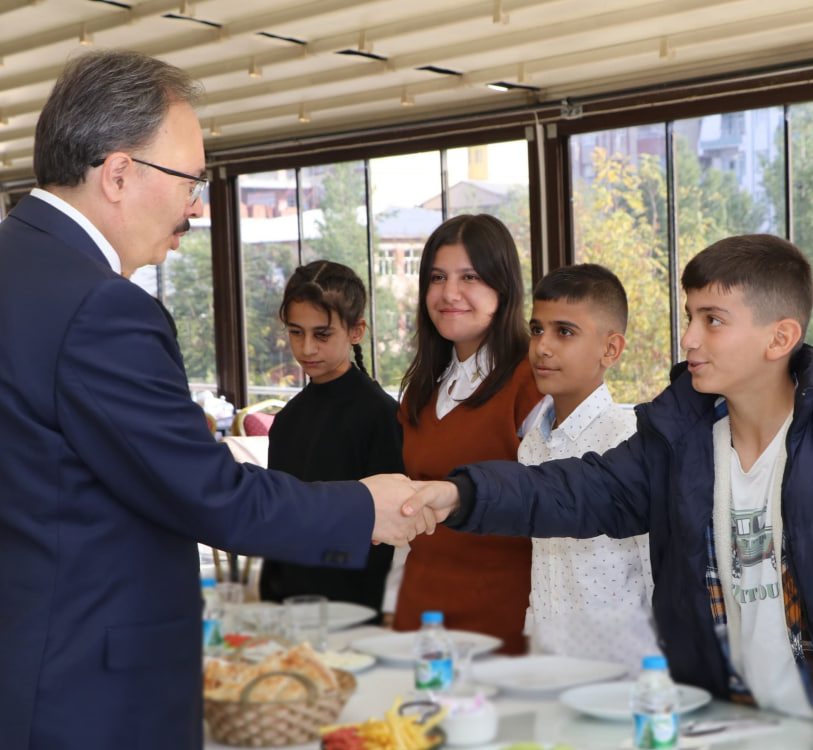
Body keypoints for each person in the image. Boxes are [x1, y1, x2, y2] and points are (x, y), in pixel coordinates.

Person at [0, 50, 432, 750]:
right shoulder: (98, 307)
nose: (193, 208)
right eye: (190, 181)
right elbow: (211, 492)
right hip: (78, 743)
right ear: (118, 173)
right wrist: (369, 505)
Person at [405, 234, 813, 746]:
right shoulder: (678, 438)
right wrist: (461, 495)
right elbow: (577, 490)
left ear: (780, 338)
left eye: (713, 320)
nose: (689, 337)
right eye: (689, 316)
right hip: (728, 729)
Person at [390, 214, 542, 654]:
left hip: (501, 618)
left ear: (503, 287)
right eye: (437, 278)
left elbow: (550, 515)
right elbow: (408, 511)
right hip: (418, 613)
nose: (449, 293)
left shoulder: (530, 385)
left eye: (469, 277)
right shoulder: (422, 388)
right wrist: (390, 603)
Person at [518, 264, 658, 673]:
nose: (543, 346)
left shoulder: (629, 439)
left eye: (564, 331)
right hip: (550, 661)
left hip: (620, 668)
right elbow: (542, 563)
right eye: (536, 329)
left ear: (611, 350)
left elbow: (654, 572)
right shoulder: (532, 443)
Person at [259, 261, 406, 617]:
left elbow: (388, 533)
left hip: (357, 608)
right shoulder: (288, 419)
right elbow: (280, 517)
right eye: (296, 332)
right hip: (290, 604)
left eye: (322, 334)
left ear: (356, 331)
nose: (307, 348)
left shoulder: (382, 415)